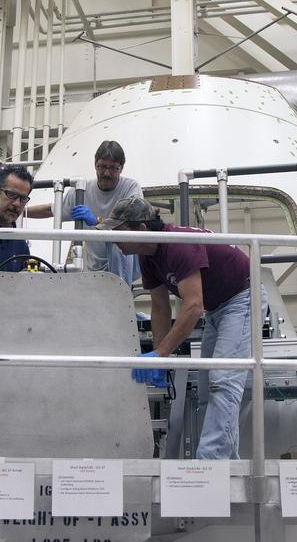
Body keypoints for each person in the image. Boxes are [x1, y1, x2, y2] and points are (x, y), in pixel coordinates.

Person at [99, 196, 267, 460]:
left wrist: (162, 353)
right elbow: (160, 307)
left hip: (242, 299)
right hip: (218, 309)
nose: (113, 239)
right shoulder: (148, 256)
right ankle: (227, 464)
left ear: (142, 229)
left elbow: (193, 306)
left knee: (223, 382)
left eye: (118, 231)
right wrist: (158, 357)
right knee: (207, 389)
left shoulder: (177, 244)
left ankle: (210, 464)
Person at [28, 140, 142, 284]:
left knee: (117, 241)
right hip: (96, 266)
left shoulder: (131, 188)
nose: (107, 173)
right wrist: (20, 210)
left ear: (121, 168)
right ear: (95, 165)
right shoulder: (81, 190)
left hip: (126, 262)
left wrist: (96, 221)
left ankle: (122, 292)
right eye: (102, 166)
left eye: (113, 168)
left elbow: (127, 228)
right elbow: (52, 210)